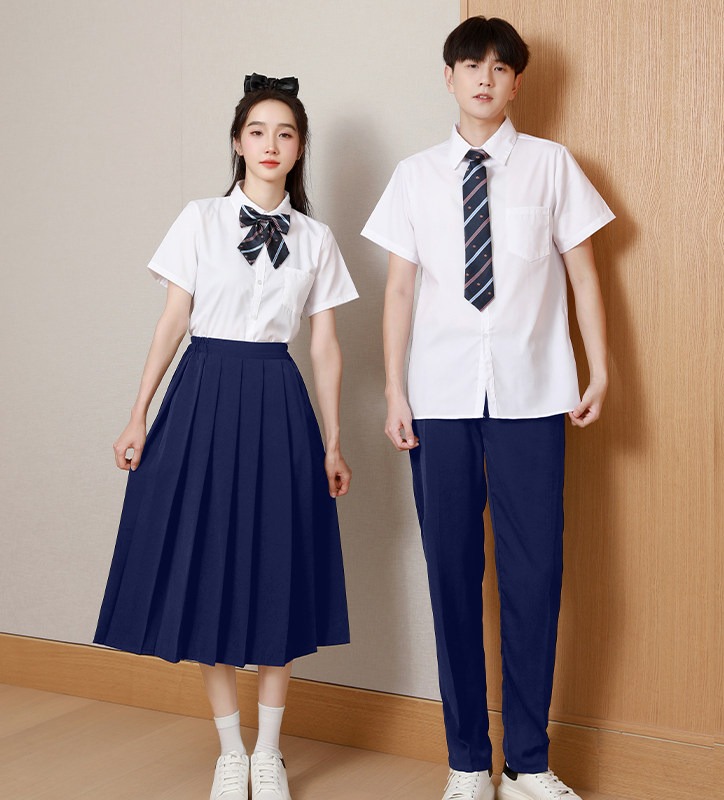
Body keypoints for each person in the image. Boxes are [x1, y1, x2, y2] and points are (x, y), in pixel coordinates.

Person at [362, 16, 614, 800]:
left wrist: (599, 368)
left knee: (535, 577)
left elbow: (585, 274)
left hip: (532, 396)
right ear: (449, 77)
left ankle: (529, 762)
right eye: (471, 65)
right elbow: (399, 292)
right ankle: (468, 761)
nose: (484, 77)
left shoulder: (552, 166)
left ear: (516, 83)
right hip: (439, 398)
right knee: (451, 576)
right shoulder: (415, 177)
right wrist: (395, 391)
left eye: (500, 68)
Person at [93, 73, 358, 800]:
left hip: (278, 400)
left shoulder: (317, 239)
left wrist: (334, 440)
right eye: (257, 131)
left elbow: (326, 346)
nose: (271, 145)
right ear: (238, 143)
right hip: (203, 395)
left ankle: (270, 753)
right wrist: (138, 412)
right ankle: (230, 752)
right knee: (206, 562)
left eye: (285, 133)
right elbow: (173, 322)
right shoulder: (201, 219)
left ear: (300, 149)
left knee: (279, 566)